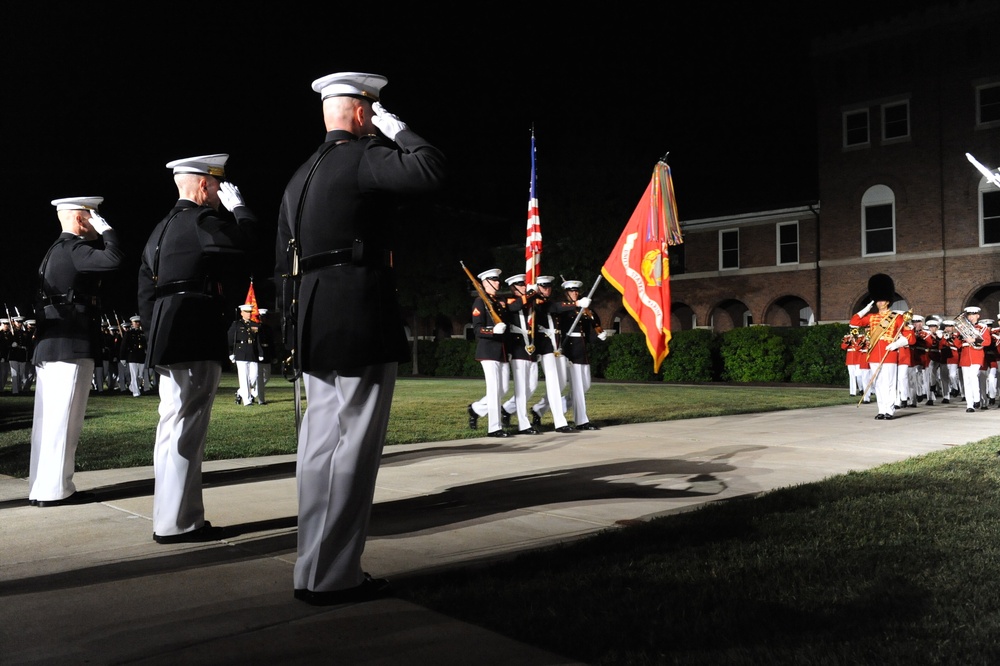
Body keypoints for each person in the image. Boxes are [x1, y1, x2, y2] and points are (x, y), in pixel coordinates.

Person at [274, 72, 447, 605]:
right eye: (373, 110)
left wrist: (290, 328)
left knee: (319, 444)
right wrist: (400, 129)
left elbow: (284, 263)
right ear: (361, 112)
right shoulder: (363, 156)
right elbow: (431, 171)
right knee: (355, 444)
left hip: (314, 316)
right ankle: (336, 575)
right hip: (357, 309)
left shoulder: (300, 175)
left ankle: (312, 569)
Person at [138, 153, 260, 544]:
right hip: (193, 329)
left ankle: (167, 517)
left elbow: (144, 291)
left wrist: (155, 332)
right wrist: (238, 208)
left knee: (171, 424)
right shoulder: (201, 220)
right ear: (205, 185)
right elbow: (248, 243)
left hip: (166, 333)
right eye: (217, 187)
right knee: (188, 427)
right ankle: (180, 523)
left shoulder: (159, 229)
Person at [28, 196, 124, 506]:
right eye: (94, 216)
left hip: (53, 346)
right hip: (70, 345)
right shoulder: (74, 249)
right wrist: (108, 231)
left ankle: (45, 486)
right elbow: (114, 258)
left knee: (49, 421)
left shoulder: (54, 250)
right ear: (82, 220)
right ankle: (55, 491)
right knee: (65, 420)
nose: (97, 222)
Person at [849, 274, 908, 420]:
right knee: (878, 383)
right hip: (874, 353)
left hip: (889, 353)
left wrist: (896, 344)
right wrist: (866, 307)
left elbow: (909, 336)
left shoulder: (896, 317)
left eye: (881, 300)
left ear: (888, 301)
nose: (879, 303)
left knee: (888, 383)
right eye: (877, 300)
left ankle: (890, 409)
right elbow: (854, 322)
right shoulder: (871, 317)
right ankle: (881, 409)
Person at [528, 275, 576, 433]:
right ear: (538, 287)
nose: (547, 289)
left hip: (557, 345)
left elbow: (558, 310)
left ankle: (538, 409)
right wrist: (575, 303)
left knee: (561, 382)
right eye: (543, 287)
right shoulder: (536, 302)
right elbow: (553, 308)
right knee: (554, 383)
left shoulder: (550, 301)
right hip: (544, 347)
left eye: (549, 287)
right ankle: (560, 422)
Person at [557, 279, 606, 430]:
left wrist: (598, 337)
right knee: (578, 388)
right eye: (571, 291)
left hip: (582, 351)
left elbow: (586, 333)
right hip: (571, 350)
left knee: (585, 386)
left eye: (576, 291)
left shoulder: (585, 310)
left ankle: (543, 408)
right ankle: (581, 421)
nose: (575, 293)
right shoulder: (564, 310)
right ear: (566, 293)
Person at [468, 268, 511, 437]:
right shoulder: (479, 302)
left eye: (498, 280)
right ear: (485, 284)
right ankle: (494, 427)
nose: (498, 283)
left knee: (504, 389)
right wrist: (493, 330)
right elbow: (477, 329)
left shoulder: (499, 301)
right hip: (488, 351)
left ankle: (476, 409)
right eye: (494, 280)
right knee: (494, 390)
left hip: (501, 350)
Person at [500, 273, 541, 434]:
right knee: (521, 388)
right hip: (517, 348)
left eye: (525, 284)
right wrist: (531, 293)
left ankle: (507, 409)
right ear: (513, 287)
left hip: (530, 346)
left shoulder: (530, 303)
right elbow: (516, 306)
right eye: (520, 285)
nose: (524, 286)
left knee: (532, 386)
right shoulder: (509, 301)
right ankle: (524, 424)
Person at [956, 306, 991, 412]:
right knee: (966, 381)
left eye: (973, 315)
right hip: (965, 356)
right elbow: (957, 345)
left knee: (973, 376)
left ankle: (977, 399)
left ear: (978, 316)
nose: (970, 317)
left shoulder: (982, 327)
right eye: (969, 315)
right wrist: (959, 337)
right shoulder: (962, 327)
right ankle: (969, 405)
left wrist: (974, 340)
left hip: (977, 354)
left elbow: (987, 341)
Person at [228, 304, 263, 406]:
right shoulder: (236, 324)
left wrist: (260, 352)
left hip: (252, 352)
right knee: (243, 377)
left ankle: (240, 392)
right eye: (246, 312)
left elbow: (258, 341)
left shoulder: (255, 325)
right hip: (241, 352)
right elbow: (230, 339)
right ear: (241, 313)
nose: (248, 314)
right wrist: (231, 352)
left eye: (250, 312)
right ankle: (247, 400)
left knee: (254, 375)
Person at [121, 316, 147, 397]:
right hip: (132, 356)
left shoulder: (142, 332)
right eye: (135, 322)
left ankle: (132, 386)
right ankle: (136, 392)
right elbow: (123, 345)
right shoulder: (129, 333)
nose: (137, 323)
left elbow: (145, 344)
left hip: (141, 356)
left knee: (140, 375)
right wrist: (122, 357)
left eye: (138, 322)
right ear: (132, 323)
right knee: (134, 375)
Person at [256, 307, 274, 404]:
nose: (263, 319)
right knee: (259, 379)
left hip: (267, 354)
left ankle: (251, 393)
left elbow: (272, 343)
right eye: (262, 317)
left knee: (267, 377)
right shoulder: (256, 327)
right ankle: (261, 400)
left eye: (265, 317)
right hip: (259, 355)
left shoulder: (269, 329)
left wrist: (273, 356)